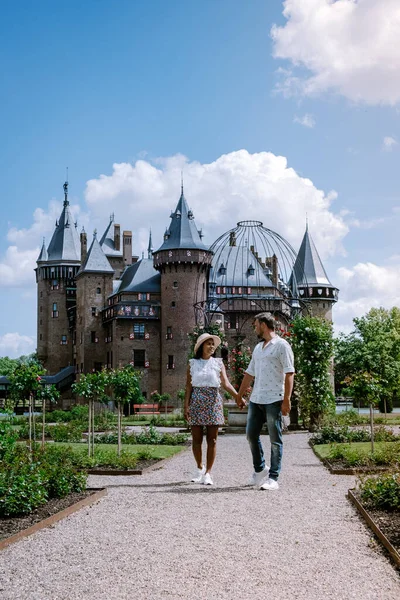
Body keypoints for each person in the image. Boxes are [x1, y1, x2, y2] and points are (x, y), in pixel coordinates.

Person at [236, 313, 294, 491]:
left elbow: (289, 373)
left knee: (275, 439)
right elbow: (249, 373)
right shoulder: (258, 348)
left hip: (274, 398)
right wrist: (239, 395)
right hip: (256, 398)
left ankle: (274, 477)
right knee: (251, 435)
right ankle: (260, 469)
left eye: (255, 325)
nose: (254, 328)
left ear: (263, 324)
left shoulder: (282, 346)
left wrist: (287, 399)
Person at [184, 332, 238, 485]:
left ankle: (208, 472)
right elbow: (188, 387)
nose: (212, 346)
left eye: (213, 344)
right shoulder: (192, 364)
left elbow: (226, 383)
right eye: (208, 343)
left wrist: (238, 396)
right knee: (196, 439)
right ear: (201, 347)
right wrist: (185, 406)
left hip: (213, 402)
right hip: (196, 402)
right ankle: (199, 467)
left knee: (212, 439)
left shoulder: (218, 363)